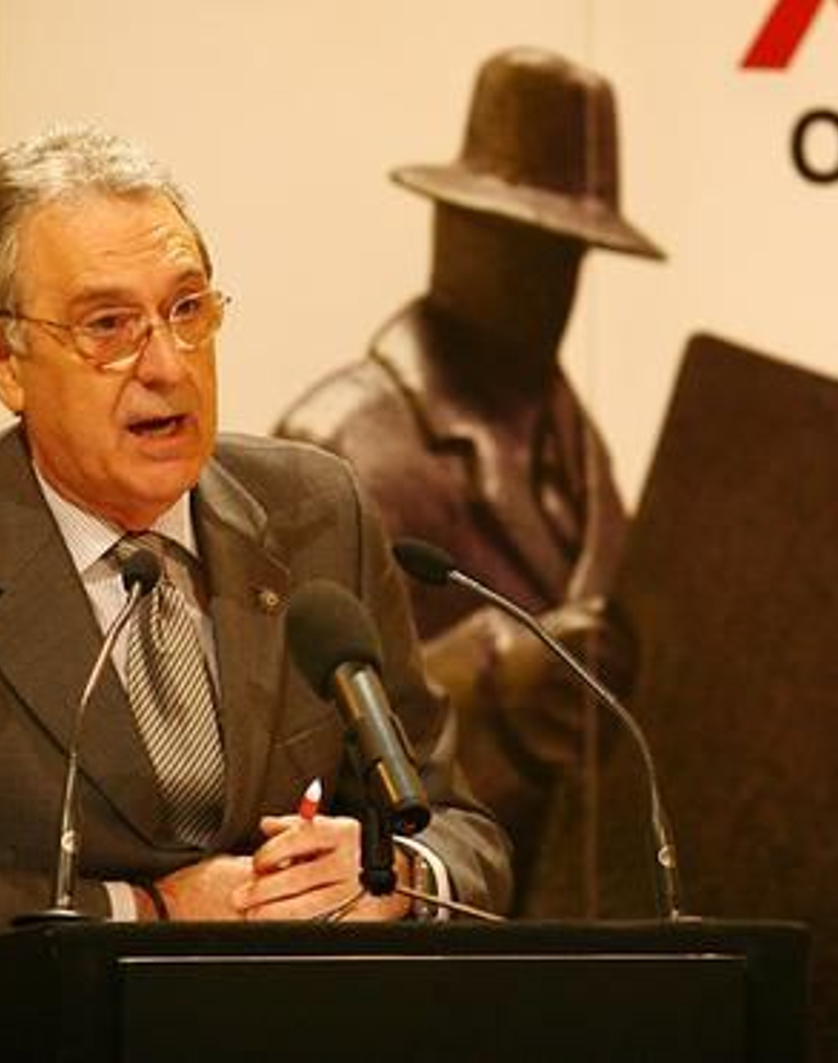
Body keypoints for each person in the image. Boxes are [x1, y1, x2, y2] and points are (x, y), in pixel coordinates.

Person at [0, 126, 512, 972]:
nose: (167, 364)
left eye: (188, 310)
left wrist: (396, 875)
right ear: (3, 358)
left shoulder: (315, 512)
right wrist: (144, 910)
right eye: (109, 325)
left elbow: (461, 827)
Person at [275, 48, 663, 915]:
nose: (552, 277)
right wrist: (498, 686)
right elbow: (278, 731)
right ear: (456, 228)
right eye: (524, 242)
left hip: (574, 916)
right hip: (424, 936)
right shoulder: (340, 443)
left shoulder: (574, 441)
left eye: (569, 251)